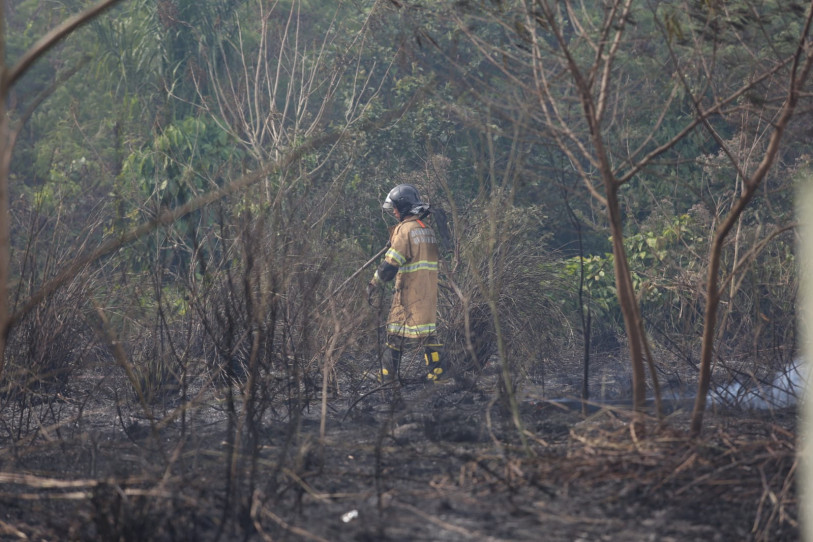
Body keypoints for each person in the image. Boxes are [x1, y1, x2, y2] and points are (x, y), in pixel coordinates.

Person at [367, 184, 448, 384]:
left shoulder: (405, 230)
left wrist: (373, 284)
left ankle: (387, 376)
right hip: (427, 293)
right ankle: (438, 374)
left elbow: (390, 265)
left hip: (409, 293)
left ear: (404, 207)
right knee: (428, 333)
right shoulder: (426, 229)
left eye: (395, 207)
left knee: (394, 331)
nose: (393, 212)